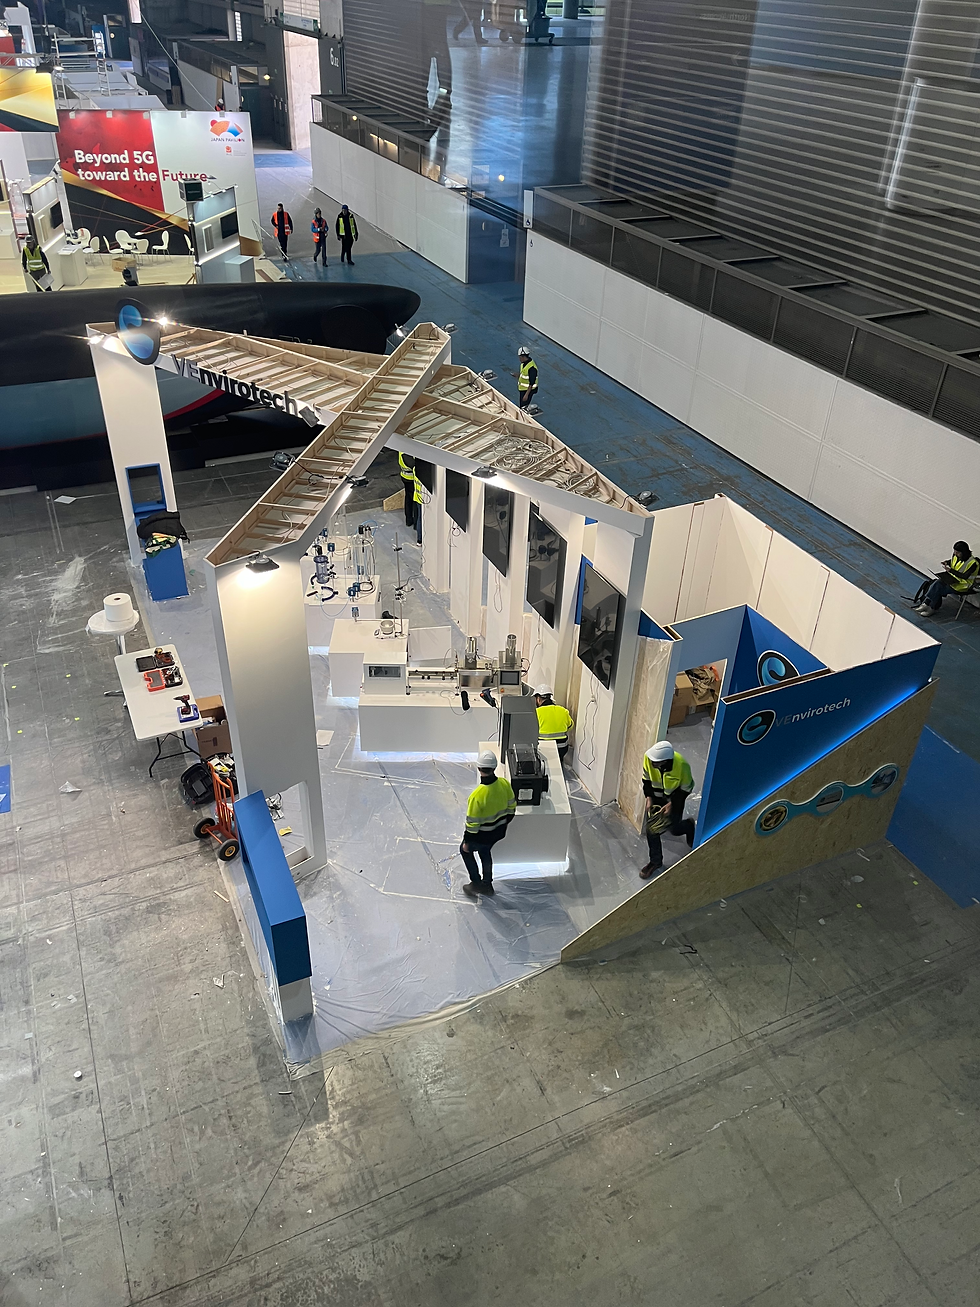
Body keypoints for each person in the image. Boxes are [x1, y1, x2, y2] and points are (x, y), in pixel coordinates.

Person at [459, 749, 516, 898]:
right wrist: (502, 823)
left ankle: (477, 883)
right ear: (494, 767)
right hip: (498, 832)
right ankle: (487, 884)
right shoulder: (504, 784)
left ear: (478, 768)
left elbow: (472, 825)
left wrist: (467, 842)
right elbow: (512, 809)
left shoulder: (477, 796)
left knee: (465, 851)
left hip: (481, 836)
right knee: (485, 853)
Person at [640, 740, 695, 880]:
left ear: (666, 761)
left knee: (674, 828)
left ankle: (688, 826)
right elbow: (646, 780)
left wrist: (672, 805)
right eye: (653, 761)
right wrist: (648, 798)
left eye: (657, 763)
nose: (653, 764)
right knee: (652, 830)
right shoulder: (648, 758)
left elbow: (687, 788)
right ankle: (655, 862)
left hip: (674, 800)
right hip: (656, 799)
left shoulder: (681, 765)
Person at [914, 541, 979, 615]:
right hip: (952, 580)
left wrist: (950, 570)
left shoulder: (973, 563)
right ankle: (926, 604)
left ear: (964, 552)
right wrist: (947, 562)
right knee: (937, 583)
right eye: (954, 551)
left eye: (957, 552)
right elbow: (954, 562)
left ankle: (931, 607)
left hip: (962, 585)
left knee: (938, 589)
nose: (955, 554)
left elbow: (965, 576)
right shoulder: (956, 556)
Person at [533, 684, 574, 761]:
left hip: (543, 749)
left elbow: (531, 731)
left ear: (538, 699)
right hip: (562, 748)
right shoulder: (563, 710)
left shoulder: (536, 713)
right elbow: (570, 726)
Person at [398, 451, 417, 528]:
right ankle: (414, 521)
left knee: (408, 499)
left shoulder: (401, 450)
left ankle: (408, 520)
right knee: (413, 500)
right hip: (410, 479)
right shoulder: (405, 452)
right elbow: (412, 465)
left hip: (405, 477)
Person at [517, 346, 538, 410]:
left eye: (520, 357)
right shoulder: (523, 364)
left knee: (523, 406)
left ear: (523, 357)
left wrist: (526, 395)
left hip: (528, 390)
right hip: (523, 389)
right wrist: (518, 375)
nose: (519, 359)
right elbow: (524, 374)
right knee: (522, 405)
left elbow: (532, 382)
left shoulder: (532, 368)